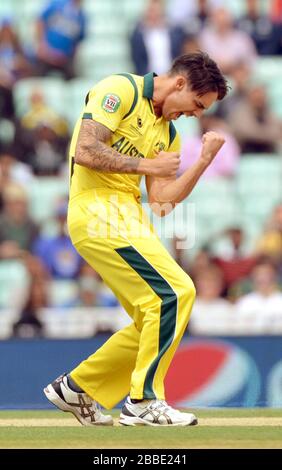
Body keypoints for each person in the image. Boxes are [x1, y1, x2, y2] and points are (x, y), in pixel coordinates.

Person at [44, 52, 228, 426]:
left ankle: (77, 387)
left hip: (127, 216)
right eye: (196, 104)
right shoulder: (121, 89)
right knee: (176, 293)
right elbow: (84, 149)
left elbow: (161, 204)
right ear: (179, 83)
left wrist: (202, 161)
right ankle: (143, 400)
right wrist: (145, 164)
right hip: (95, 209)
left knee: (153, 316)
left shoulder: (169, 133)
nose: (194, 115)